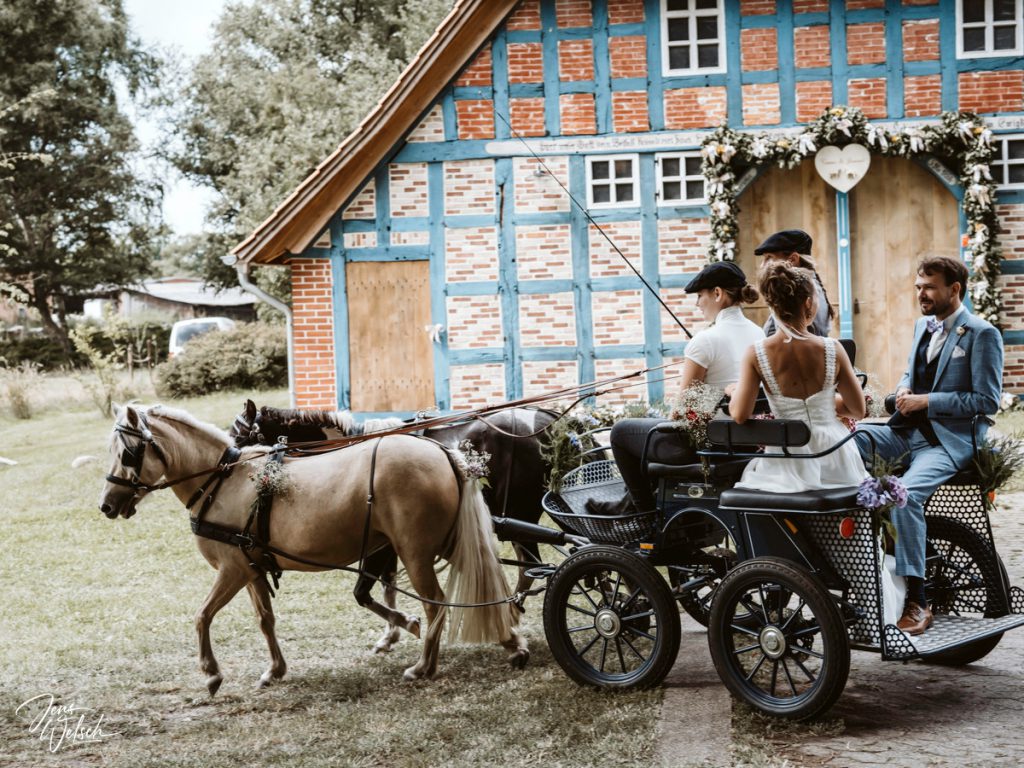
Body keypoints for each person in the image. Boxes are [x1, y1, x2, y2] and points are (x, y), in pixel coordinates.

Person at [854, 256, 1003, 636]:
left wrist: (928, 401)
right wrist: (904, 389)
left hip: (948, 442)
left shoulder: (982, 333)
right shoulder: (924, 324)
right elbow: (912, 371)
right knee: (847, 444)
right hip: (905, 432)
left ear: (954, 289)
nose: (921, 294)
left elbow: (986, 401)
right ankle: (867, 564)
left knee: (904, 496)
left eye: (929, 287)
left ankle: (917, 601)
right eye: (919, 286)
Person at [588, 261, 764, 515]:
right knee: (648, 430)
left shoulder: (705, 340)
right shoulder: (759, 334)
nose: (697, 304)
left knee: (621, 432)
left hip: (706, 446)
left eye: (700, 296)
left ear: (717, 294)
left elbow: (683, 414)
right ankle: (631, 503)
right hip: (745, 442)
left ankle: (641, 511)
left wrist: (669, 420)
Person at [729, 262, 867, 493]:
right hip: (835, 452)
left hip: (788, 455)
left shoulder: (756, 353)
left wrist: (734, 392)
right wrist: (821, 405)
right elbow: (857, 410)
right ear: (808, 303)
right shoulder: (833, 348)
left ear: (773, 305)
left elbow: (740, 414)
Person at [755, 229, 835, 338]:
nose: (762, 265)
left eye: (769, 257)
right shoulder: (801, 290)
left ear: (793, 259)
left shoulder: (802, 294)